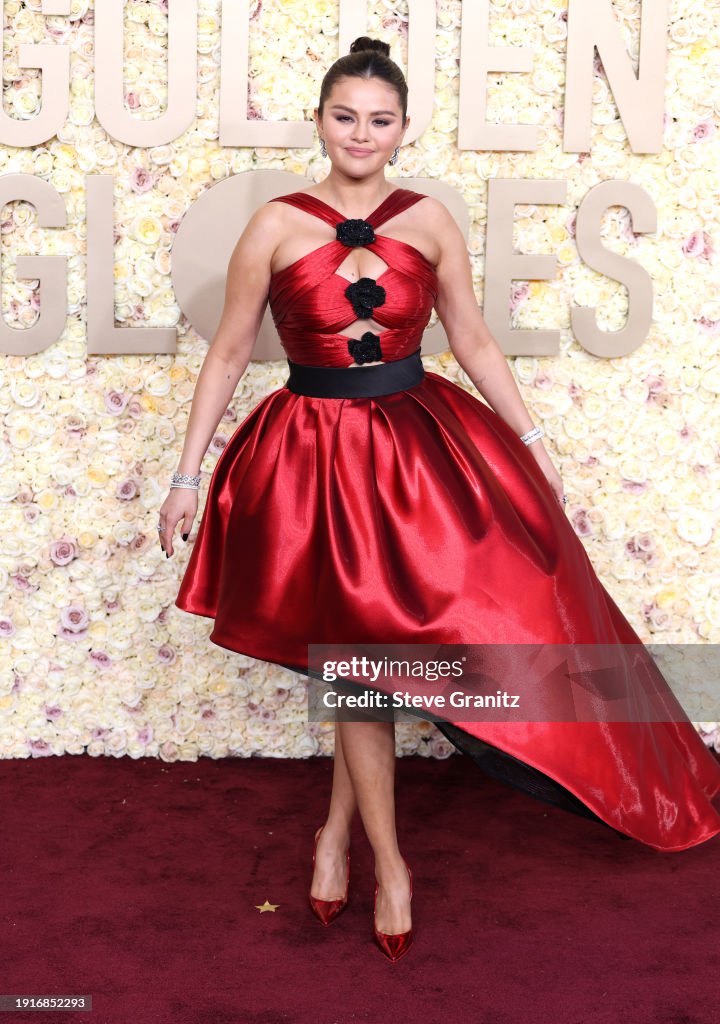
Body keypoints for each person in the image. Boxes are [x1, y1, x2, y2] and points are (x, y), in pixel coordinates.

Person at [159, 37, 720, 962]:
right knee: (354, 667)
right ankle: (389, 859)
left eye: (380, 121)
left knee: (384, 657)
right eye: (345, 117)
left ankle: (336, 839)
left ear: (403, 128)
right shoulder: (271, 225)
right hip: (314, 464)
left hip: (419, 452)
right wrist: (188, 476)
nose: (361, 134)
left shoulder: (430, 220)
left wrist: (535, 445)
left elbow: (475, 340)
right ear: (320, 122)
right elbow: (226, 354)